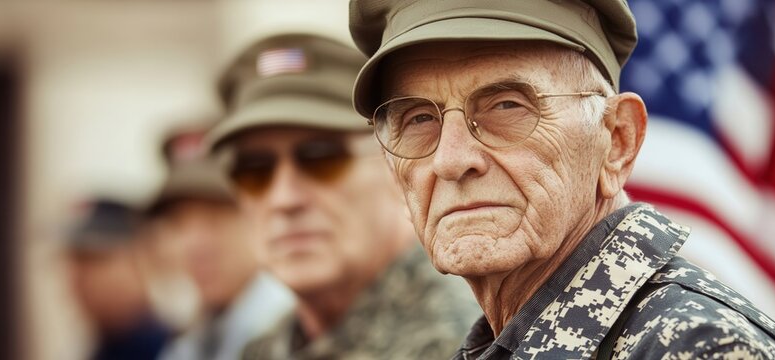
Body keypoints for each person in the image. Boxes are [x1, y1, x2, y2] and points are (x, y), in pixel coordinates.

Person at [347, 1, 775, 358]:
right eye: (418, 119)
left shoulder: (694, 347)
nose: (450, 160)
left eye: (507, 106)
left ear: (617, 141)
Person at [206, 33, 481, 359]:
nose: (284, 199)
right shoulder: (263, 349)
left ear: (395, 164)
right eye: (253, 170)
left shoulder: (461, 342)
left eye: (322, 160)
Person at [148, 124, 294, 360]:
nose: (194, 244)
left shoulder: (297, 334)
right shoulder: (191, 342)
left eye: (215, 217)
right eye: (179, 223)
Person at [65, 198, 171, 360]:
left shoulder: (169, 349)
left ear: (140, 260)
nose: (77, 279)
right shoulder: (101, 345)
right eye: (74, 263)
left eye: (93, 260)